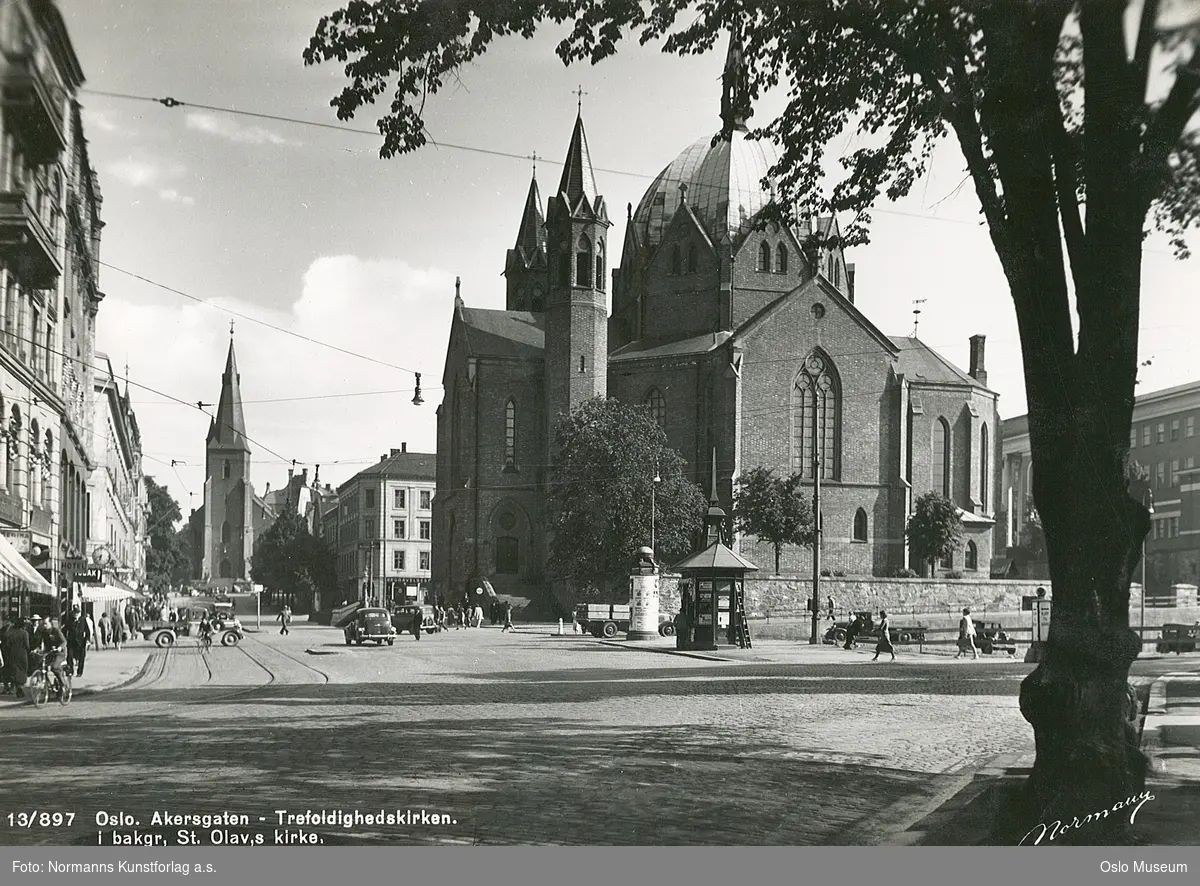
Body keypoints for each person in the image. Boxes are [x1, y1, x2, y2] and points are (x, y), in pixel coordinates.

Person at [36, 616, 69, 697]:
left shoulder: (56, 631)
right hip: (50, 652)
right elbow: (44, 644)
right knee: (41, 666)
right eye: (43, 624)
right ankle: (48, 685)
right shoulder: (44, 632)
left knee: (54, 667)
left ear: (50, 624)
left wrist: (60, 647)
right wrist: (38, 650)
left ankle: (63, 683)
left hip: (60, 653)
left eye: (46, 624)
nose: (44, 625)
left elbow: (64, 641)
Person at [3, 617, 29, 698]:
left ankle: (16, 687)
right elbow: (27, 646)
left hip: (12, 655)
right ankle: (19, 688)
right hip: (22, 655)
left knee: (14, 672)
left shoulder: (9, 633)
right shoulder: (25, 633)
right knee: (22, 671)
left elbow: (6, 645)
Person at [65, 605, 91, 677]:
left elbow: (87, 631)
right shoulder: (70, 620)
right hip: (71, 642)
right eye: (75, 613)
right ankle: (70, 671)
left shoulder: (83, 620)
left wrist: (87, 640)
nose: (76, 614)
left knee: (81, 658)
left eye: (77, 613)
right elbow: (65, 630)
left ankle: (79, 672)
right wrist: (65, 639)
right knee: (69, 656)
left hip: (81, 642)